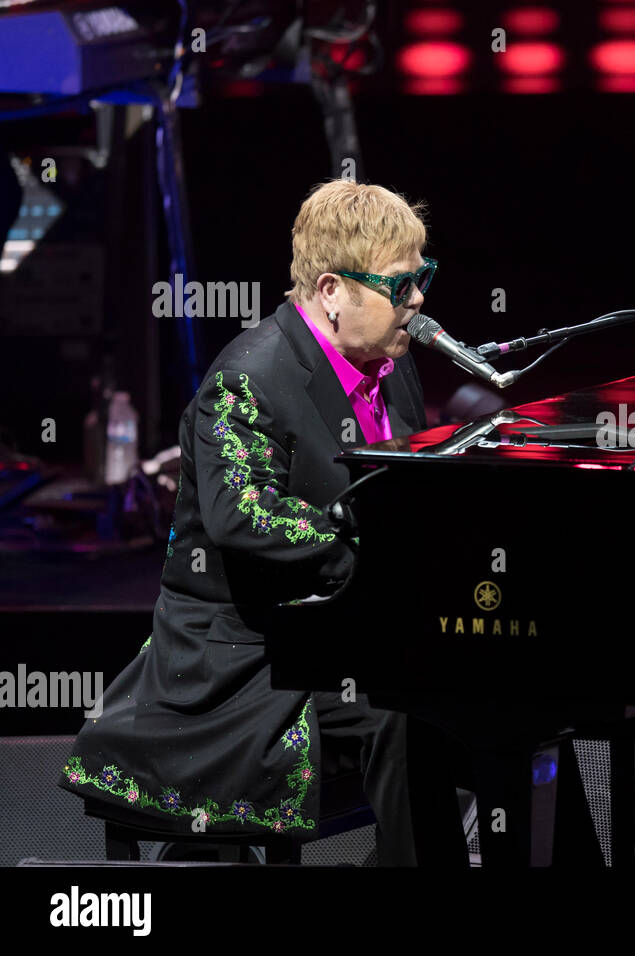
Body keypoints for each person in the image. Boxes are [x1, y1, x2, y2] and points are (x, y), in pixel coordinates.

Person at [58, 179, 467, 866]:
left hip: (340, 628)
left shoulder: (391, 367)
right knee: (404, 710)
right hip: (245, 654)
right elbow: (244, 518)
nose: (418, 299)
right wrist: (370, 552)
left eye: (422, 277)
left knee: (504, 685)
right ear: (332, 289)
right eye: (401, 284)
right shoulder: (247, 377)